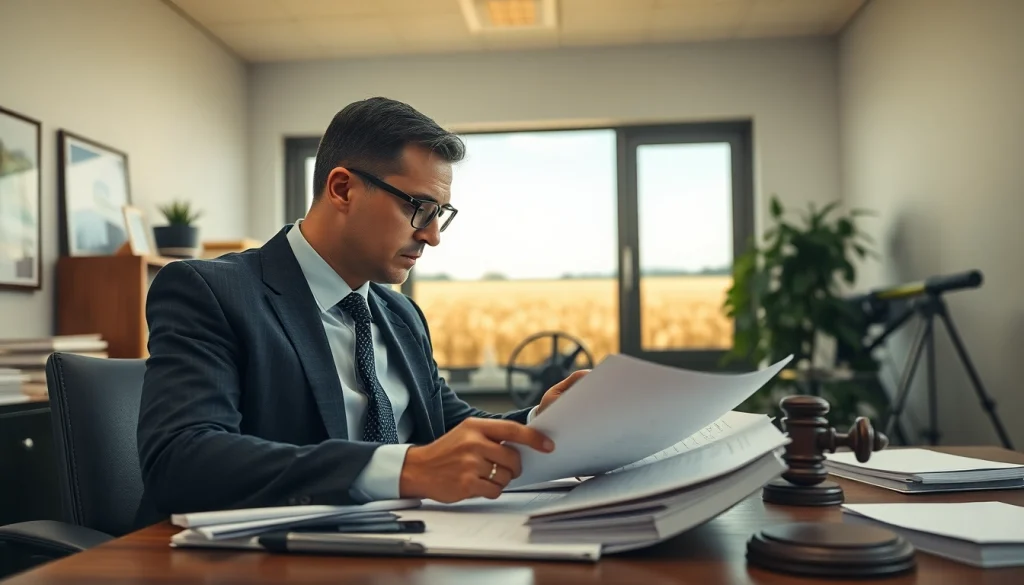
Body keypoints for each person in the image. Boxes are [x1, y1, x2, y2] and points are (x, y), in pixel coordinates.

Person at [135, 97, 587, 524]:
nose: (432, 236)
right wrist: (402, 469)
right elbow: (182, 459)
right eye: (420, 208)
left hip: (396, 544)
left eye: (440, 213)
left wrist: (538, 423)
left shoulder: (401, 314)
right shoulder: (210, 291)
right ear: (343, 189)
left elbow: (444, 427)